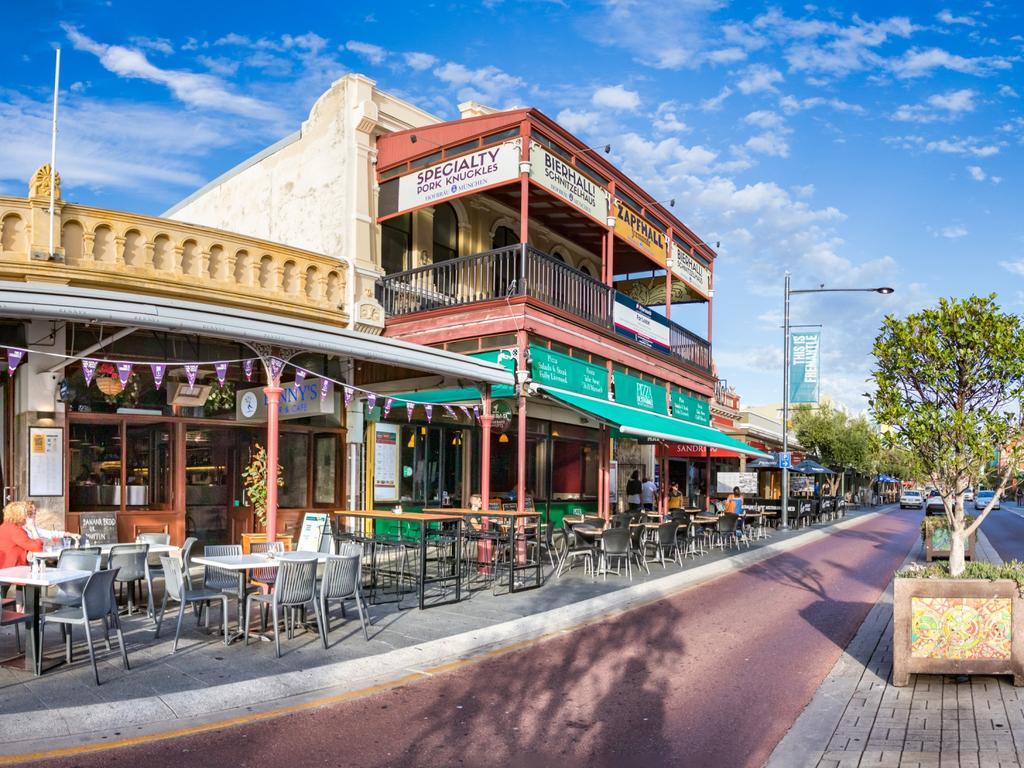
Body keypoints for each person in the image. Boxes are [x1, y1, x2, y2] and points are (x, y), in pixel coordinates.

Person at [0, 501, 44, 568]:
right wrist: (33, 528)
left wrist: (28, 551)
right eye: (26, 514)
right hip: (13, 570)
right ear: (20, 515)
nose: (28, 517)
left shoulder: (4, 526)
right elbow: (38, 548)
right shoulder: (14, 530)